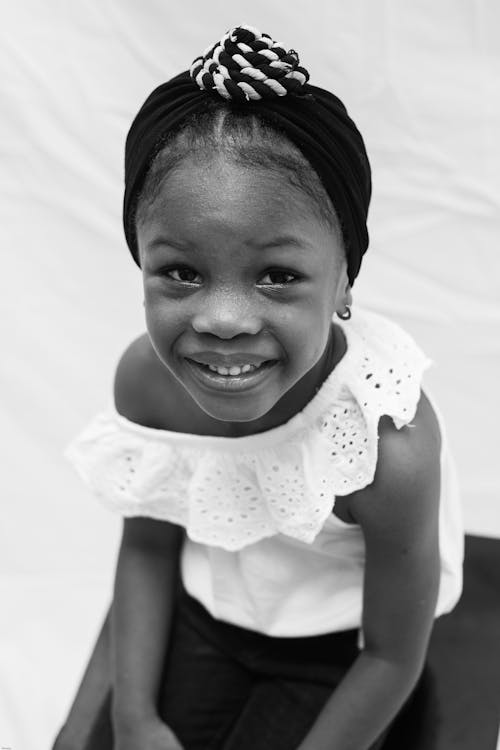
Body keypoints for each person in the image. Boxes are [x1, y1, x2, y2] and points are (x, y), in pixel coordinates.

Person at [59, 23, 464, 750]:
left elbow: (393, 654)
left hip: (341, 656)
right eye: (180, 271)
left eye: (278, 275)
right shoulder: (147, 384)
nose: (221, 319)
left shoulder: (384, 444)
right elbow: (150, 548)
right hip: (204, 619)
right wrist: (134, 720)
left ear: (343, 278)